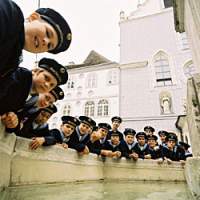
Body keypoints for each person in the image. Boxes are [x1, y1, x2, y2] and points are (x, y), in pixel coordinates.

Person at [0, 0, 72, 78]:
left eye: (49, 45)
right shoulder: (9, 13)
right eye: (48, 33)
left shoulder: (12, 63)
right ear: (33, 18)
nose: (46, 41)